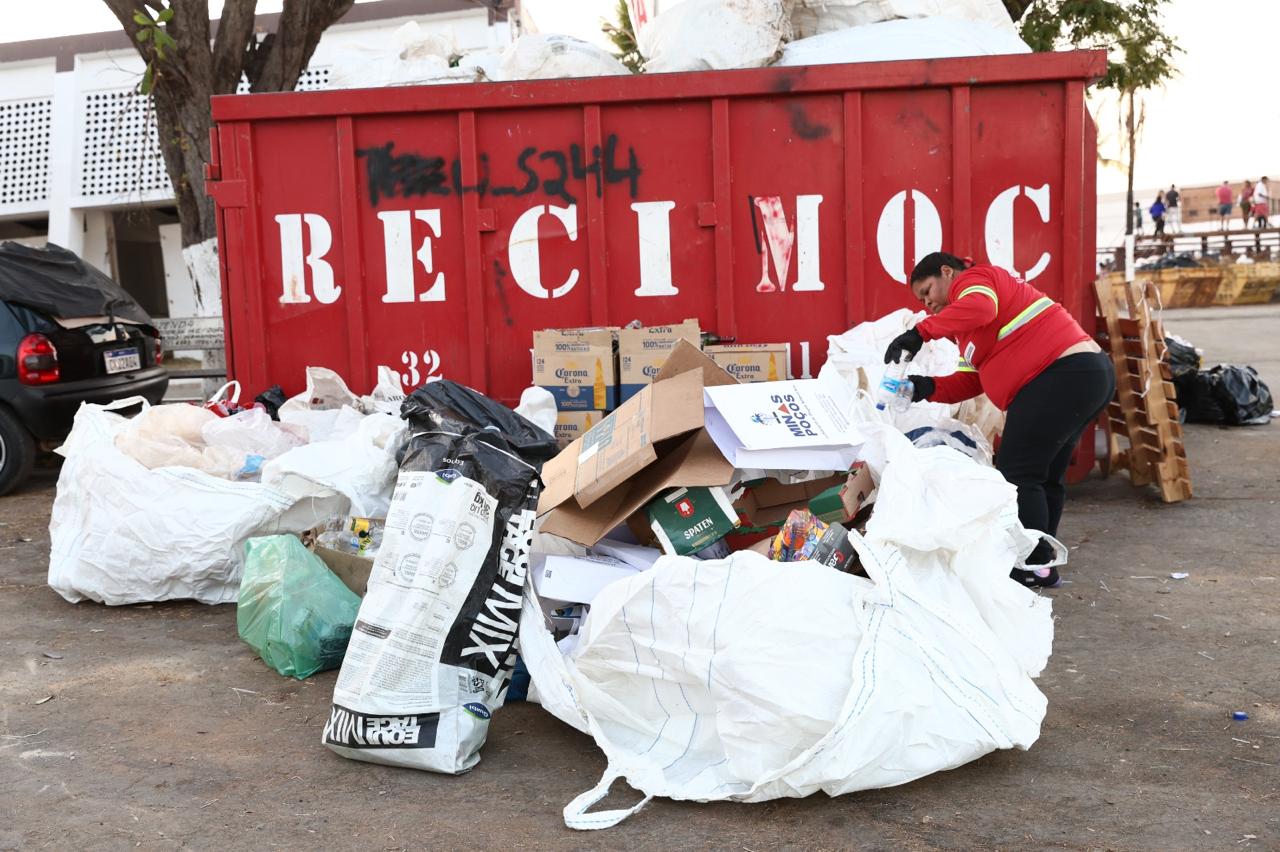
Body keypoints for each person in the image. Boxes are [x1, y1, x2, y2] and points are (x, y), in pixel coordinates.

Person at [883, 253, 1116, 589]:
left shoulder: (975, 280)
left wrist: (920, 333)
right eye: (921, 301)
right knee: (1045, 476)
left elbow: (981, 308)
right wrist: (922, 388)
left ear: (947, 272)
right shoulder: (966, 332)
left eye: (928, 291)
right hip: (1081, 376)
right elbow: (970, 382)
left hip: (1060, 375)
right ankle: (1042, 563)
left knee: (1019, 473)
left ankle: (1032, 563)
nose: (927, 303)